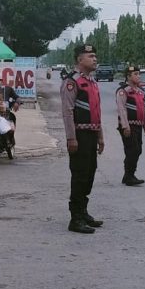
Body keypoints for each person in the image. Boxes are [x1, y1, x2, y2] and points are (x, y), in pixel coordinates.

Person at [61, 44, 105, 234]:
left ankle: (83, 211)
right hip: (79, 135)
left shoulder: (92, 82)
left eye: (95, 55)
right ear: (80, 60)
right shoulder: (72, 82)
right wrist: (71, 138)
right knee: (79, 175)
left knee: (89, 174)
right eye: (91, 56)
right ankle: (75, 218)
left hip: (92, 135)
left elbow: (97, 112)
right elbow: (68, 112)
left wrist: (100, 136)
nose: (95, 59)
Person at [115, 65, 145, 186]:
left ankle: (128, 175)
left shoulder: (140, 91)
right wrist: (125, 126)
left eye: (139, 74)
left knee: (138, 149)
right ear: (128, 76)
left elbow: (143, 110)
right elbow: (121, 109)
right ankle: (129, 176)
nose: (138, 76)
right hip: (128, 126)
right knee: (132, 149)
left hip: (138, 125)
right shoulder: (123, 91)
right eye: (135, 74)